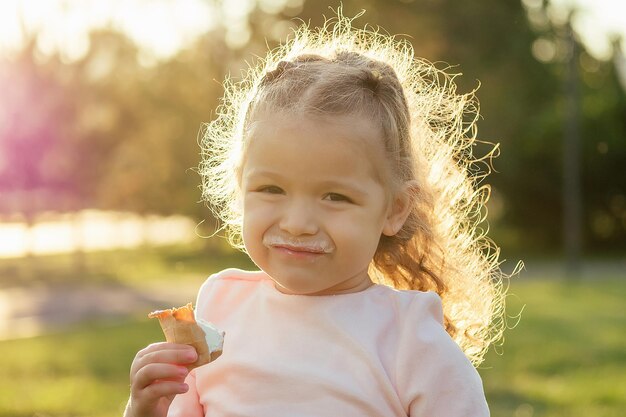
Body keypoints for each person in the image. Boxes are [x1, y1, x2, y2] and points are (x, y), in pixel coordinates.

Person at [124, 12, 510, 417]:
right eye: (271, 189)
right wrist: (145, 407)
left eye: (335, 197)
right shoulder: (220, 309)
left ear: (394, 209)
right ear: (240, 189)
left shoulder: (411, 342)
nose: (297, 223)